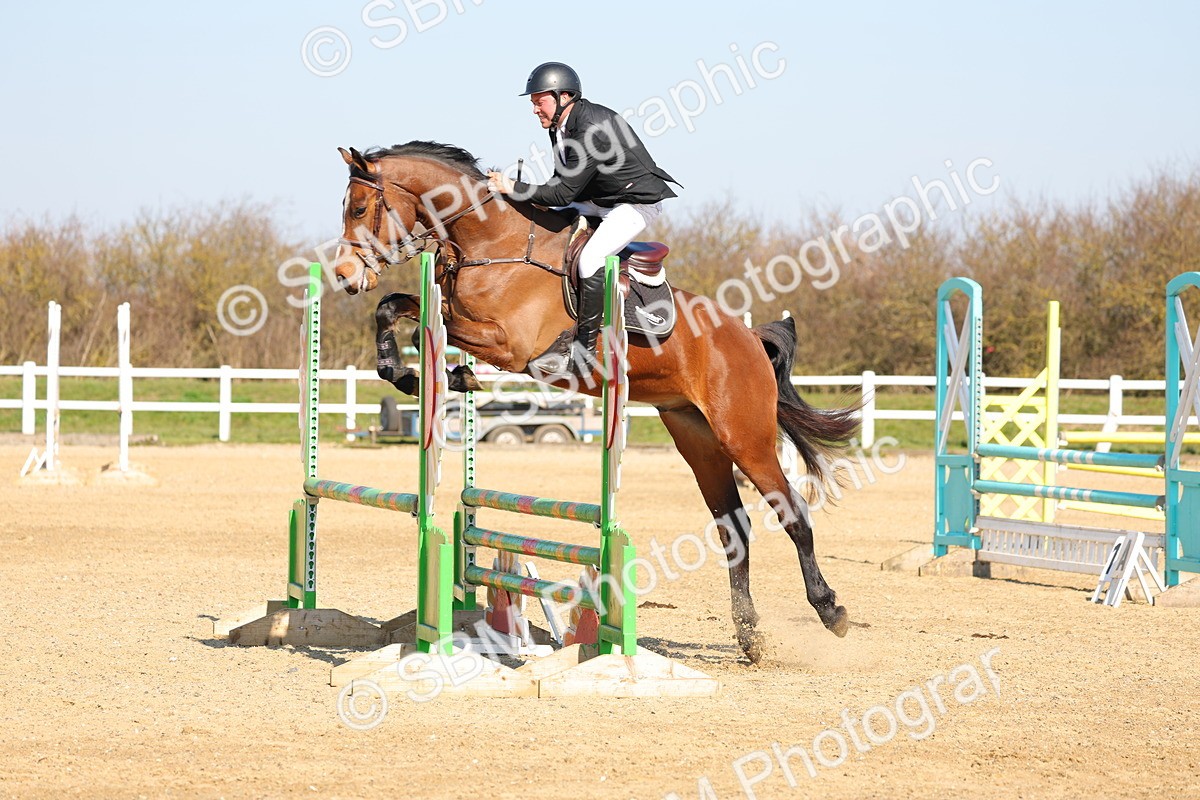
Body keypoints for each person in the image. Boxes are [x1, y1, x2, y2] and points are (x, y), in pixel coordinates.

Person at [487, 62, 680, 375]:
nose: (535, 109)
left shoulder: (589, 127)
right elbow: (561, 182)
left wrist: (513, 186)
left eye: (539, 101)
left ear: (564, 96)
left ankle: (584, 351)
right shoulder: (560, 127)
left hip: (633, 203)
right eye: (533, 103)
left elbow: (562, 194)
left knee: (590, 260)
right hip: (596, 201)